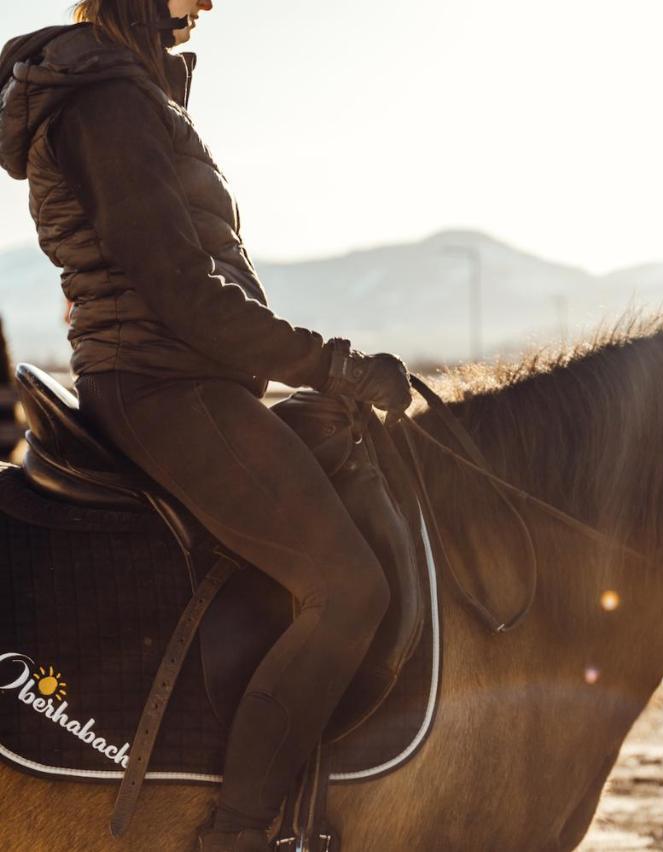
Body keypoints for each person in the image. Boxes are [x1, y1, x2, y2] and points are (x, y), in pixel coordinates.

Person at [0, 3, 413, 849]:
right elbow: (181, 293)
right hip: (164, 387)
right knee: (348, 589)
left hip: (183, 379)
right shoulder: (106, 99)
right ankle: (237, 833)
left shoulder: (130, 87)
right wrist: (331, 364)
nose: (211, 4)